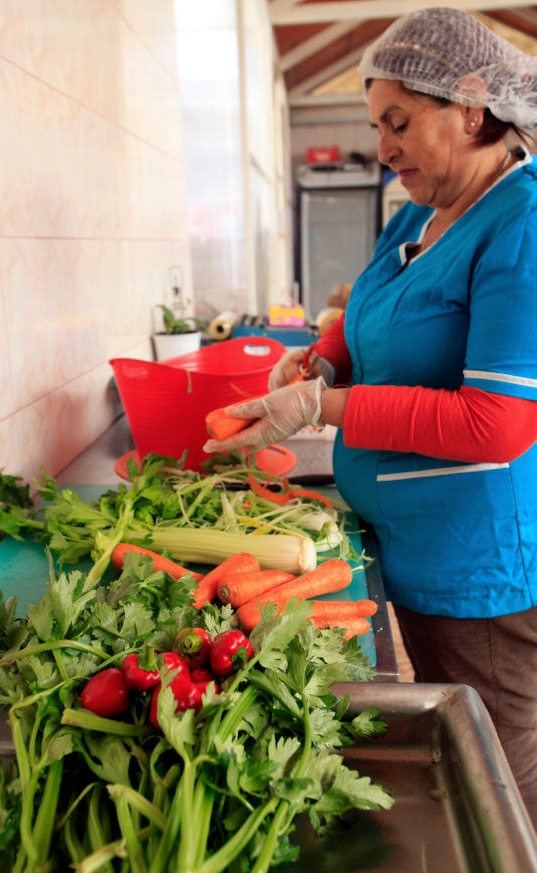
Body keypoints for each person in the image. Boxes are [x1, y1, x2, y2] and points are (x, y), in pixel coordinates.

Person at [204, 7, 537, 826]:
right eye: (374, 124)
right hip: (414, 545)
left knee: (500, 777)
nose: (382, 147)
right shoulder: (415, 216)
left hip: (476, 567)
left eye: (397, 122)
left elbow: (496, 422)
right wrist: (320, 357)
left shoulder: (520, 225)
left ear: (469, 109)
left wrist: (319, 405)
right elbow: (372, 313)